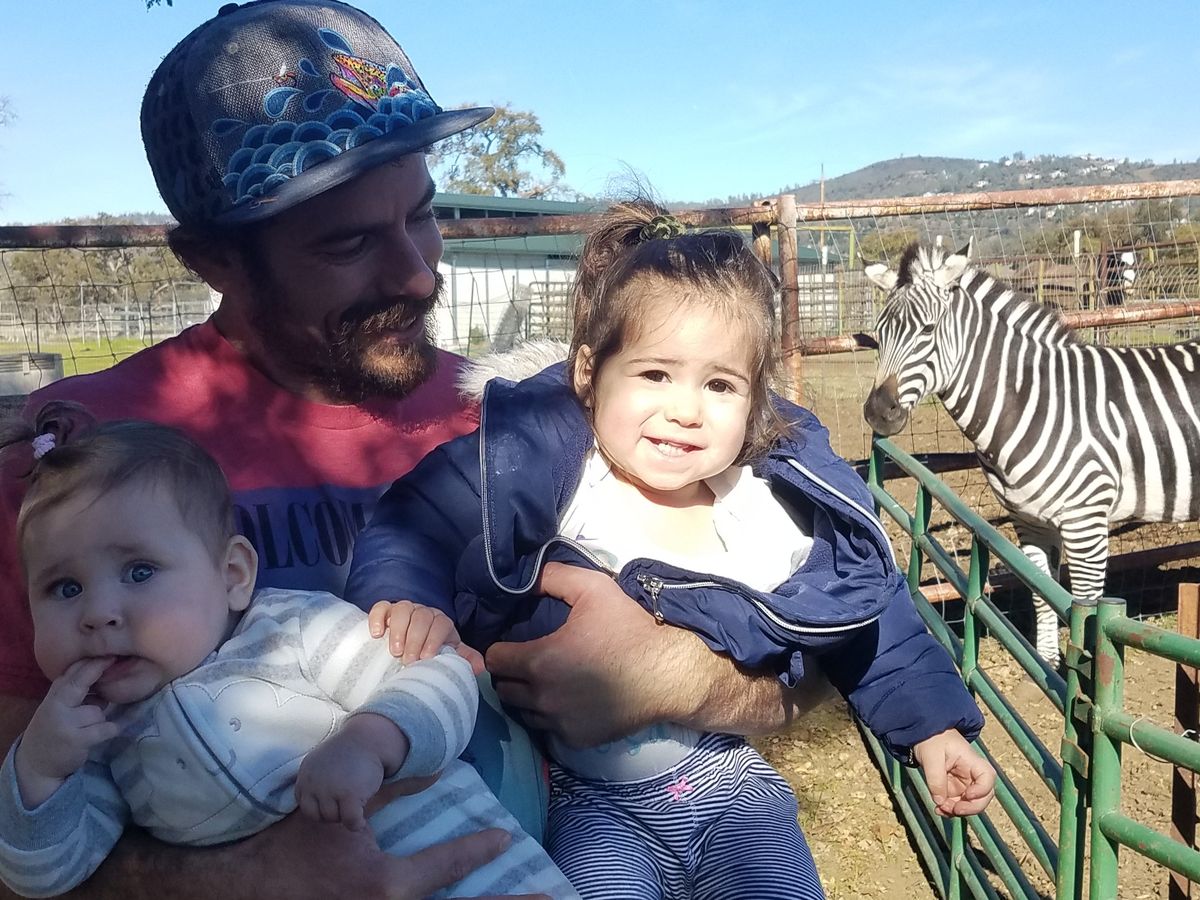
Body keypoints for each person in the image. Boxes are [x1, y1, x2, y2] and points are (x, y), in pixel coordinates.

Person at [0, 3, 833, 896]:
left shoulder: (526, 417)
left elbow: (830, 645)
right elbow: (22, 839)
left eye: (422, 215)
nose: (416, 272)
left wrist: (684, 679)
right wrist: (248, 881)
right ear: (214, 261)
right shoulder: (77, 474)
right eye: (349, 242)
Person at [345, 200, 997, 899]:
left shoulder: (761, 508)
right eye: (655, 375)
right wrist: (406, 599)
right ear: (589, 373)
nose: (685, 410)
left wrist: (934, 729)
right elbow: (420, 520)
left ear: (756, 400)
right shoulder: (556, 482)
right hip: (594, 805)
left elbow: (871, 614)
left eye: (719, 385)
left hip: (734, 792)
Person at [0, 407, 576, 899]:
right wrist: (39, 771)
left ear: (232, 575)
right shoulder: (96, 739)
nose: (98, 613)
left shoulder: (289, 628)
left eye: (140, 571)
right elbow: (46, 878)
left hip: (492, 881)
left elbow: (441, 679)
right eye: (64, 588)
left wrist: (367, 742)